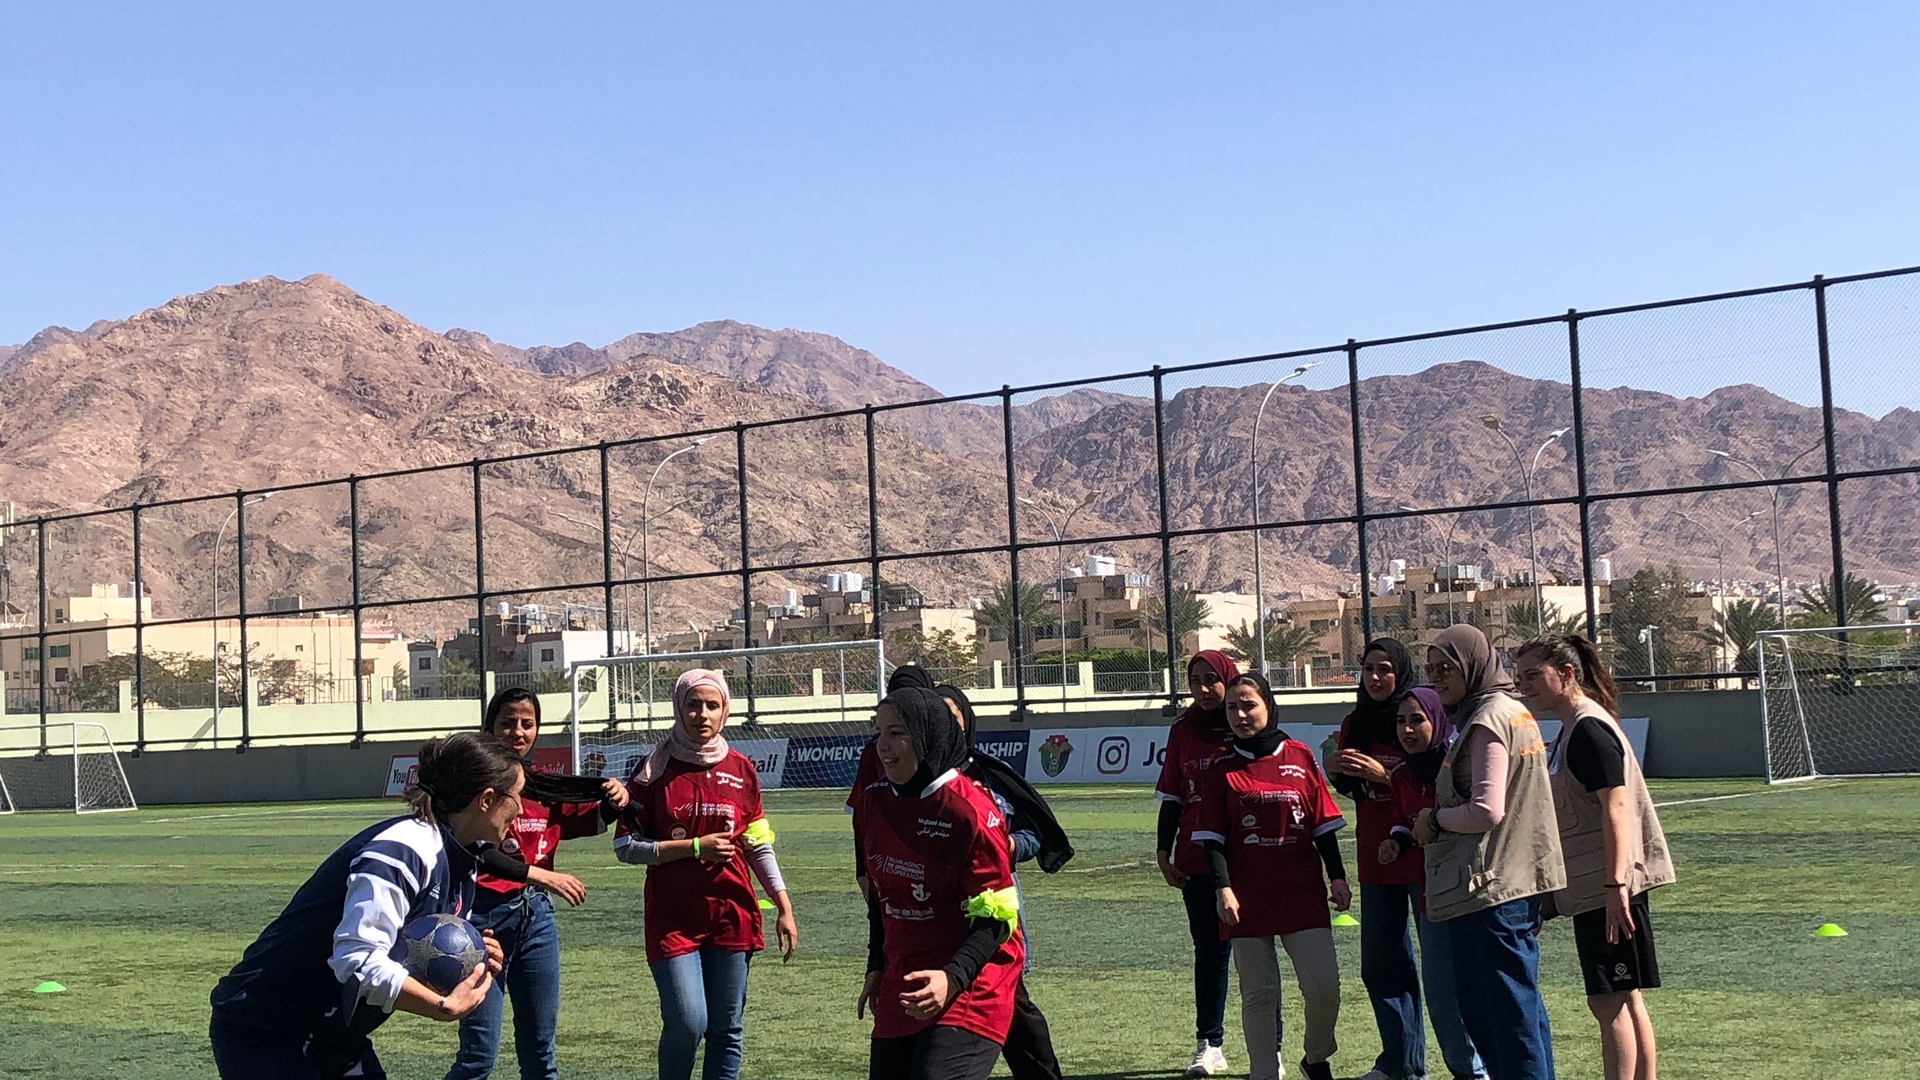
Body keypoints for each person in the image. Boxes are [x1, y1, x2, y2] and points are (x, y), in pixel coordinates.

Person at [209, 732, 517, 1080]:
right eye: (517, 797)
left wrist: (472, 956)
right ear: (487, 799)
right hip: (268, 1029)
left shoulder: (462, 860)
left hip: (332, 1035)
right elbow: (357, 961)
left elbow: (411, 952)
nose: (520, 809)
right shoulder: (404, 850)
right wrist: (442, 1006)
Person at [613, 669, 798, 1080]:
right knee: (688, 1022)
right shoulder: (653, 771)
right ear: (678, 708)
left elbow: (758, 843)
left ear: (724, 711)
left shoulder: (743, 769)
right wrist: (695, 848)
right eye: (693, 705)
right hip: (672, 921)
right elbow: (626, 847)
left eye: (711, 705)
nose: (702, 714)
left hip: (732, 915)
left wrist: (783, 904)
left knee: (726, 1030)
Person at [446, 688, 632, 1080]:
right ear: (489, 727)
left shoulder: (543, 788)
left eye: (527, 724)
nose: (518, 731)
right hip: (480, 921)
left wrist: (615, 799)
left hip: (536, 922)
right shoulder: (472, 789)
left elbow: (591, 820)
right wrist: (540, 874)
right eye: (507, 722)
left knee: (540, 1055)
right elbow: (474, 848)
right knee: (478, 1056)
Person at [1517, 636, 1674, 1080]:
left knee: (1608, 1000)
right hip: (1601, 887)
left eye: (1534, 675)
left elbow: (1617, 807)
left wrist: (1615, 886)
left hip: (1603, 890)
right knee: (1626, 996)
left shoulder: (1587, 728)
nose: (1524, 685)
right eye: (1520, 676)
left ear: (1567, 675)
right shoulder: (1577, 727)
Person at [1412, 625, 1564, 1080]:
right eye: (1431, 669)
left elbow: (1485, 810)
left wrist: (1434, 820)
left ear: (1473, 665)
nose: (1438, 679)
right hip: (1510, 883)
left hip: (1491, 890)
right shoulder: (1510, 711)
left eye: (1447, 668)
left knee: (1504, 1015)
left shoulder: (1487, 719)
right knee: (1520, 1009)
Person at [853, 686, 1025, 1080]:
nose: (883, 745)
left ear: (928, 734)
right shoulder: (871, 804)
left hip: (972, 982)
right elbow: (879, 899)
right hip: (907, 978)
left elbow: (999, 918)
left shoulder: (969, 812)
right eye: (878, 732)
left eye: (898, 732)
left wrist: (952, 977)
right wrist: (876, 965)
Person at [1194, 672, 1349, 1080]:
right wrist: (1222, 888)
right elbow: (1211, 838)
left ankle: (1316, 1055)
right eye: (1232, 707)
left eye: (1249, 705)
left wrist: (1338, 878)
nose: (1240, 714)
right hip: (1245, 897)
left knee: (1324, 987)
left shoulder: (1299, 755)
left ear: (1268, 705)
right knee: (1258, 995)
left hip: (1301, 891)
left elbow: (1323, 825)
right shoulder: (1220, 766)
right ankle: (1263, 1071)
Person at [938, 683, 1071, 1080]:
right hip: (934, 916)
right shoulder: (910, 780)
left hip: (992, 909)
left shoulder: (990, 773)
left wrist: (1007, 845)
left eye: (954, 721)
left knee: (1013, 1008)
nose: (947, 730)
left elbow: (1035, 835)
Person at [1325, 638, 1426, 1080]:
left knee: (1444, 967)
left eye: (1386, 668)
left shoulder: (1420, 719)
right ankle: (1401, 1061)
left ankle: (1471, 1062)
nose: (1377, 677)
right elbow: (1353, 790)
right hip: (1376, 855)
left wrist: (1385, 775)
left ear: (1401, 671)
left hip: (1423, 854)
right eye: (1369, 669)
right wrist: (1337, 772)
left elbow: (1433, 787)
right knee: (1381, 964)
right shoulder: (1355, 723)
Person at [1377, 687, 1486, 1080]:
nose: (1407, 729)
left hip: (1475, 894)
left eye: (1417, 719)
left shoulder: (1460, 761)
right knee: (1441, 996)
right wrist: (1396, 840)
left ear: (1438, 720)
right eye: (1401, 721)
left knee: (1481, 991)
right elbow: (1406, 820)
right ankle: (1468, 1071)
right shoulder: (1403, 774)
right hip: (1433, 898)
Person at [1152, 649, 1251, 1078]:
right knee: (1210, 952)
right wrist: (1162, 850)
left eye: (1213, 679)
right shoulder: (1183, 730)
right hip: (1196, 858)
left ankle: (1271, 1045)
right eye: (1196, 680)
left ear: (1229, 679)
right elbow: (1173, 796)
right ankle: (1209, 1043)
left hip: (1250, 854)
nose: (1204, 689)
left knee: (1256, 951)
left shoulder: (1246, 725)